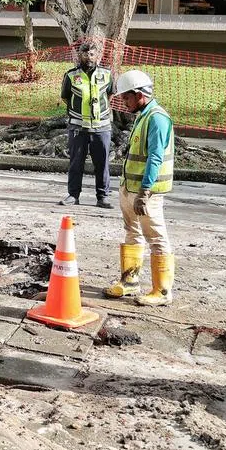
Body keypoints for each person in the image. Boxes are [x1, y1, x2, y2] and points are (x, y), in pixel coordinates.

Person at [106, 70, 176, 307]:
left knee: (156, 238)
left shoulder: (156, 118)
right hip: (131, 189)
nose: (124, 103)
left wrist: (145, 192)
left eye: (126, 98)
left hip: (147, 193)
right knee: (132, 233)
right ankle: (130, 281)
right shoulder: (143, 115)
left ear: (139, 95)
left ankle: (162, 291)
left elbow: (155, 157)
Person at [59, 40, 113, 208]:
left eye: (91, 54)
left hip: (102, 127)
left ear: (97, 56)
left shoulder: (107, 74)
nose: (88, 57)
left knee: (102, 163)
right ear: (79, 56)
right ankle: (73, 195)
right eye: (85, 54)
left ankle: (102, 197)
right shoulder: (71, 75)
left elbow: (110, 95)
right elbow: (65, 97)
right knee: (76, 162)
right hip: (78, 127)